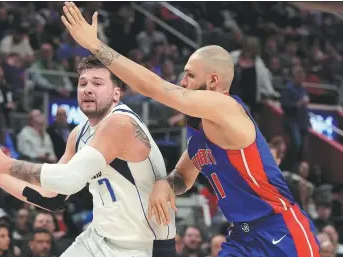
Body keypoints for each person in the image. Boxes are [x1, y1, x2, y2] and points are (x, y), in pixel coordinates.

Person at [57, 2, 320, 257]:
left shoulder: (227, 108)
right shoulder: (198, 131)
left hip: (280, 229)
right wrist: (166, 183)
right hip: (242, 235)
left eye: (190, 76)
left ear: (213, 81)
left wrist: (95, 46)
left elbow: (155, 88)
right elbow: (183, 176)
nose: (182, 81)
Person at [0, 56, 176, 257]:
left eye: (97, 83)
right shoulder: (78, 134)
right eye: (83, 83)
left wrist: (6, 164)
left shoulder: (121, 123)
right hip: (99, 239)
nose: (88, 89)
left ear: (116, 93)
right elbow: (51, 196)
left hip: (143, 247)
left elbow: (69, 179)